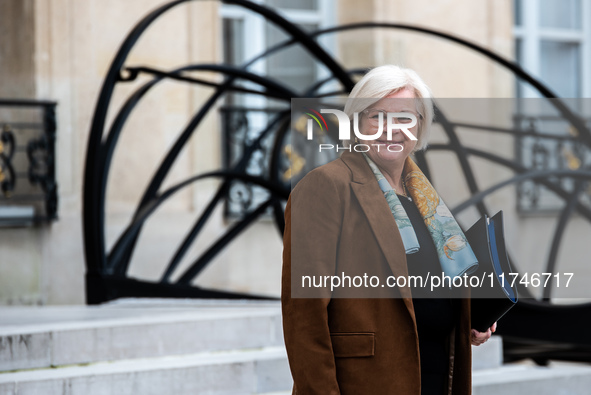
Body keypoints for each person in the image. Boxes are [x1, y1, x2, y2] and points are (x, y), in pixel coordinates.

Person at [281, 64, 496, 395]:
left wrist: (469, 318)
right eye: (376, 116)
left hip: (436, 377)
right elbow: (304, 318)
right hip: (367, 383)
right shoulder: (325, 187)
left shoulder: (425, 199)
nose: (389, 129)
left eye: (404, 118)